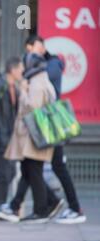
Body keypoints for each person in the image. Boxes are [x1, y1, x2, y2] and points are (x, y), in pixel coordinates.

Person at [25, 35, 85, 224]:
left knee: (55, 166)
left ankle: (74, 208)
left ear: (42, 46)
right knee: (34, 166)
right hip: (43, 123)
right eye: (29, 50)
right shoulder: (40, 65)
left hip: (51, 124)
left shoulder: (53, 63)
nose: (31, 52)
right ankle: (52, 204)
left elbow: (44, 79)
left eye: (33, 47)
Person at [4, 53, 63, 223]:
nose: (24, 68)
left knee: (33, 172)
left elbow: (33, 108)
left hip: (35, 136)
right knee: (29, 171)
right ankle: (47, 202)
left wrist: (23, 91)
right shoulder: (42, 80)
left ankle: (41, 209)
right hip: (35, 136)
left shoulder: (37, 84)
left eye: (26, 65)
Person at [0, 57, 24, 222]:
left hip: (10, 136)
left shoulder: (14, 86)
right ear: (13, 70)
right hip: (0, 136)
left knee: (9, 172)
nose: (22, 72)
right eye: (20, 69)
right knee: (3, 172)